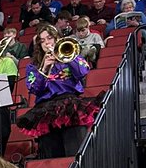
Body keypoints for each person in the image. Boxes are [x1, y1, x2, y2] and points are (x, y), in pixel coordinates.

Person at [17, 24, 95, 158]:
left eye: (49, 38)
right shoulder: (33, 66)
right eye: (42, 40)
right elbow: (34, 88)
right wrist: (45, 68)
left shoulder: (70, 55)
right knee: (52, 157)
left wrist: (66, 57)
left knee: (76, 153)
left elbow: (83, 71)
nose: (47, 43)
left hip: (70, 105)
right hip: (45, 110)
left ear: (57, 38)